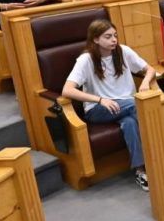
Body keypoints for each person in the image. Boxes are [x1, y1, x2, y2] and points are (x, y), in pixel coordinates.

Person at [62, 20, 155, 191]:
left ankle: (141, 170)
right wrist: (99, 100)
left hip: (125, 106)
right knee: (140, 104)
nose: (114, 40)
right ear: (95, 39)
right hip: (98, 110)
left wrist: (145, 83)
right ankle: (159, 154)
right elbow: (67, 90)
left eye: (115, 35)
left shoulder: (124, 51)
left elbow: (150, 69)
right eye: (108, 37)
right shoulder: (86, 59)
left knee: (130, 123)